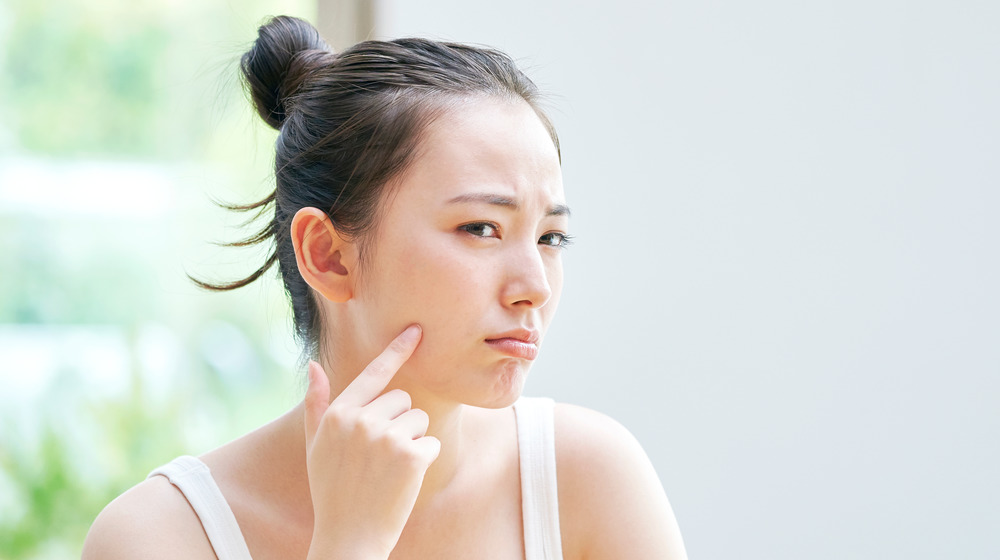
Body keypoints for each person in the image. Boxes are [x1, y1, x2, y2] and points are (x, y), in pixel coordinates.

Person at [81, 15, 688, 560]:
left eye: (550, 238)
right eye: (480, 228)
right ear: (329, 256)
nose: (534, 287)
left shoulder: (585, 479)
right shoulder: (160, 537)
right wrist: (348, 545)